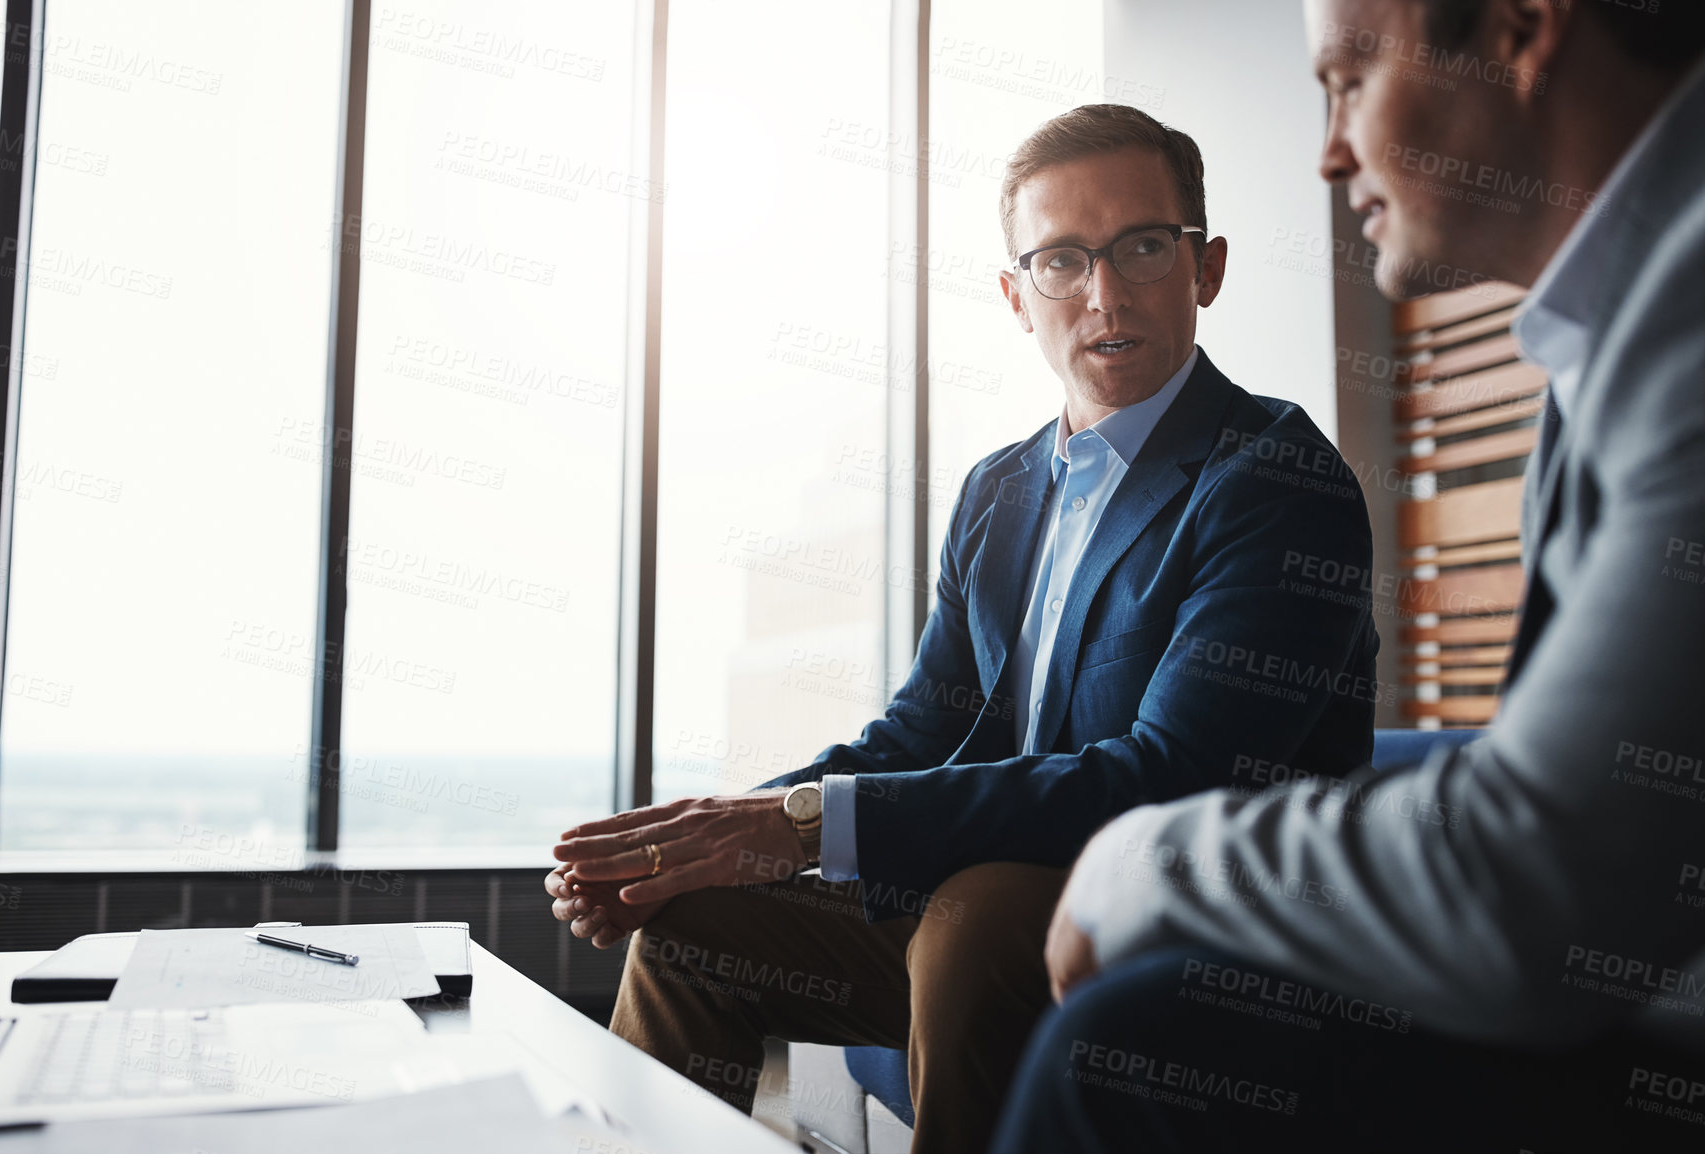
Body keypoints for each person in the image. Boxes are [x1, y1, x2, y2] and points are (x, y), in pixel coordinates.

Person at [549, 104, 1381, 1153]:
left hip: (1212, 928)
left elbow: (1171, 775)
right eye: (1061, 260)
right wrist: (712, 839)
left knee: (974, 913)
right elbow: (916, 732)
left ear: (1204, 267)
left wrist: (801, 827)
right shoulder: (1000, 490)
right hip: (993, 916)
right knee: (692, 929)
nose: (1105, 292)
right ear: (1013, 293)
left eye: (1142, 247)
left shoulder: (1273, 475)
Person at [993, 2, 1705, 1150]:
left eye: (1347, 81)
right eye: (1060, 260)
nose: (1327, 152)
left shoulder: (1677, 328)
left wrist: (1146, 859)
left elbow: (1533, 886)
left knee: (1129, 1043)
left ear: (1522, 30)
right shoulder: (1603, 345)